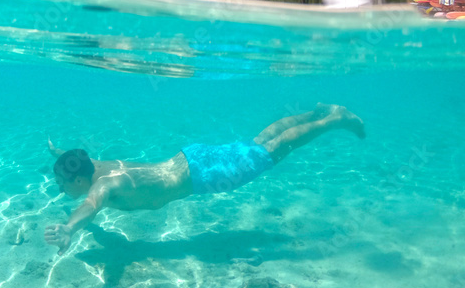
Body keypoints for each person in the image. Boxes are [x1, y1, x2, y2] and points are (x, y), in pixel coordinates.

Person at [44, 104, 365, 255]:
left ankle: (336, 120)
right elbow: (78, 156)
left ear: (77, 181)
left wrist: (70, 228)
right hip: (188, 157)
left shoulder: (104, 185)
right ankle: (318, 111)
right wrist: (58, 152)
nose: (60, 189)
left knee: (272, 151)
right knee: (255, 144)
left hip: (203, 176)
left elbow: (90, 205)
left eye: (61, 183)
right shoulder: (96, 166)